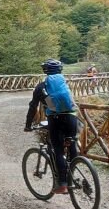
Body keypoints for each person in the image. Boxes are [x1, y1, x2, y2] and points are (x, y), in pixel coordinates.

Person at [24, 59, 79, 194]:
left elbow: (33, 107)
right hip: (72, 116)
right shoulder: (64, 84)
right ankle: (74, 171)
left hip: (55, 118)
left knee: (58, 150)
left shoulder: (41, 87)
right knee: (72, 145)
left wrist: (28, 125)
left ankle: (63, 184)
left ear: (45, 71)